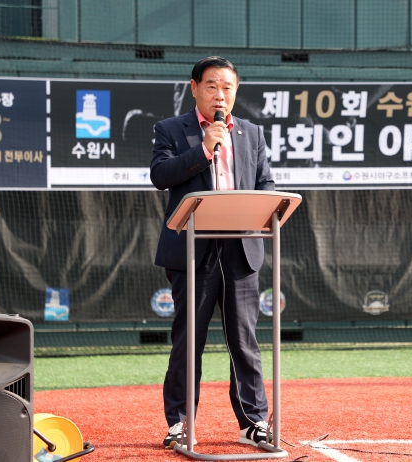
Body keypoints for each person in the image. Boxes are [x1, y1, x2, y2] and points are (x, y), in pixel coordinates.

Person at [150, 56, 275, 449]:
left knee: (245, 342)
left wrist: (265, 206)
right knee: (188, 341)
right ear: (194, 88)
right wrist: (204, 150)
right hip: (193, 250)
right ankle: (180, 422)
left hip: (241, 249)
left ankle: (253, 422)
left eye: (227, 87)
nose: (220, 95)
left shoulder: (252, 133)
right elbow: (160, 175)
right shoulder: (171, 130)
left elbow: (265, 183)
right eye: (212, 86)